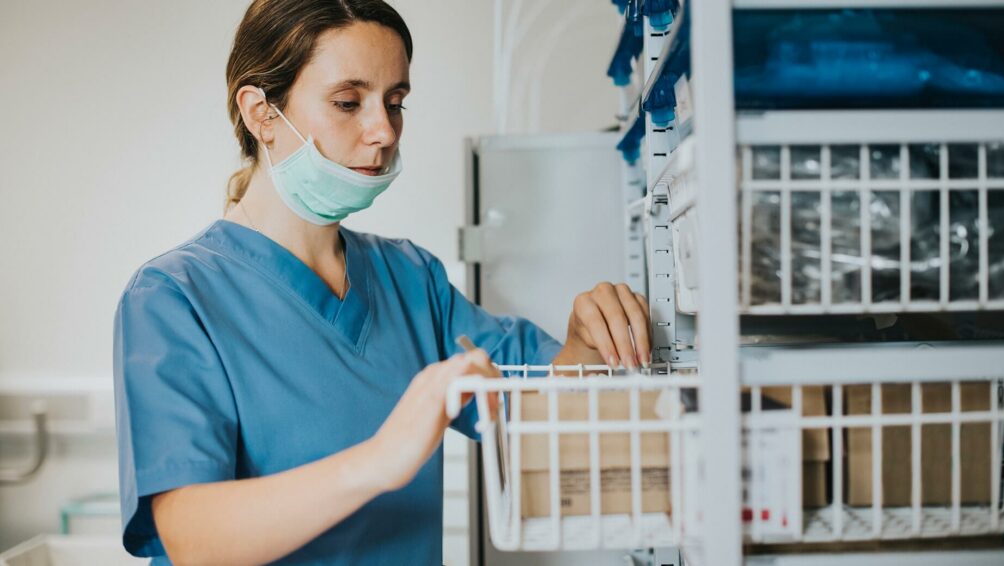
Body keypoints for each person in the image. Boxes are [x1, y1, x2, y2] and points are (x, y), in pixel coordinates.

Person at [113, 1, 652, 564]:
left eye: (395, 102)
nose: (384, 130)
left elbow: (538, 407)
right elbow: (192, 536)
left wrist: (587, 345)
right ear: (261, 113)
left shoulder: (410, 280)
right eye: (349, 102)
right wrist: (379, 459)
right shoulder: (173, 298)